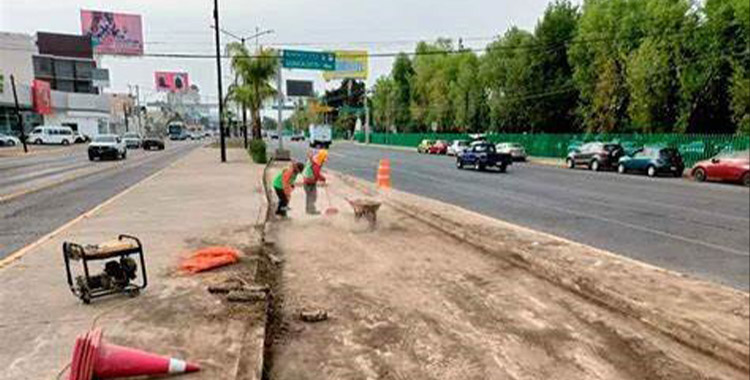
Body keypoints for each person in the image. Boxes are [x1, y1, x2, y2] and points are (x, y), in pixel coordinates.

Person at [302, 149, 328, 214]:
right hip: (309, 182)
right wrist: (323, 178)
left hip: (307, 181)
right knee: (313, 196)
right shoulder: (316, 164)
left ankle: (308, 210)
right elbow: (316, 174)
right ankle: (311, 211)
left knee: (309, 196)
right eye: (324, 159)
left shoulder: (314, 160)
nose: (324, 161)